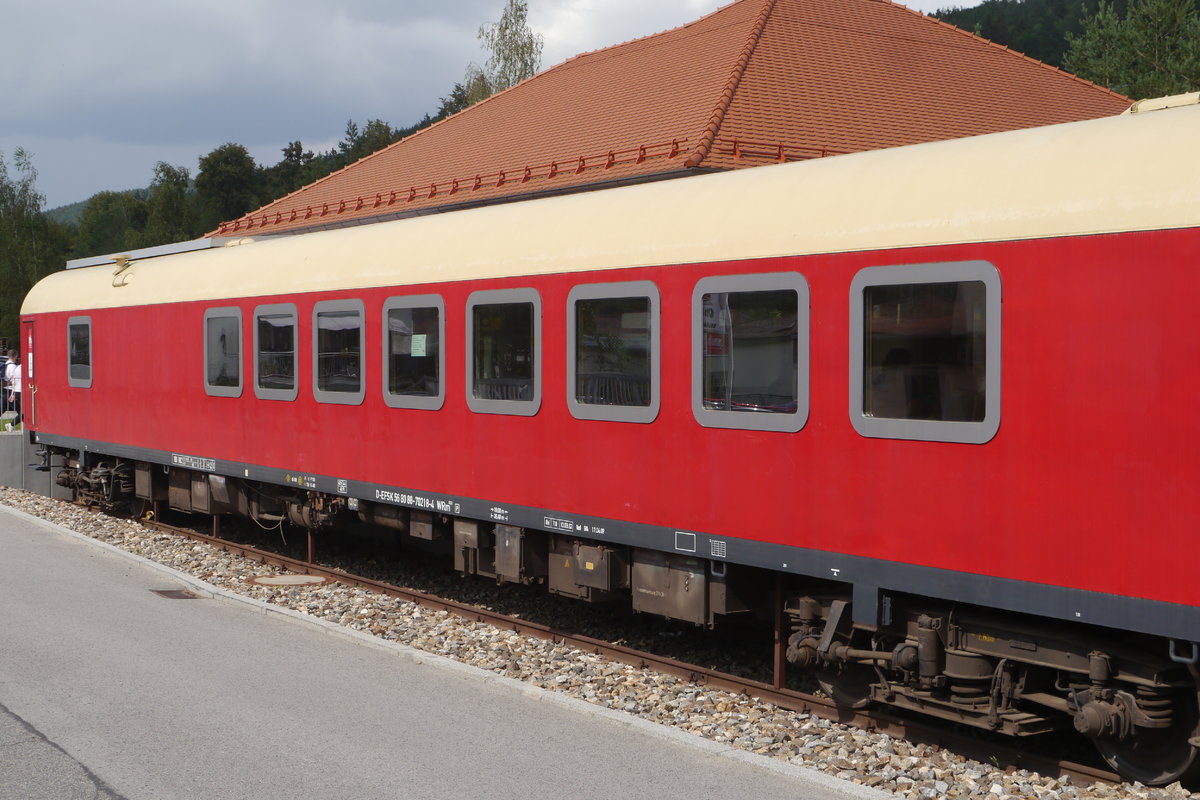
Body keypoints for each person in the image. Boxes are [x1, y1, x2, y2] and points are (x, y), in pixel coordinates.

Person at [5, 351, 20, 428]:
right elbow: (13, 380)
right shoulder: (13, 367)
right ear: (15, 356)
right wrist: (13, 393)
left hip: (5, 390)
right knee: (23, 413)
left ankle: (11, 425)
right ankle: (11, 425)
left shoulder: (6, 364)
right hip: (11, 391)